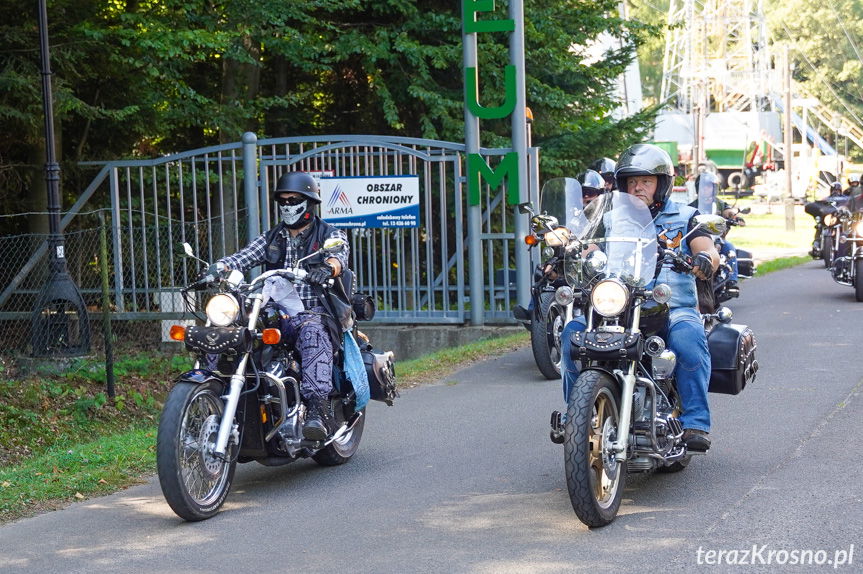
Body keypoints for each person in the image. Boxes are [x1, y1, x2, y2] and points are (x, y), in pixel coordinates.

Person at [560, 144, 719, 452]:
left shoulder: (685, 216)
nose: (637, 187)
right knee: (572, 334)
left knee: (688, 337)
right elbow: (591, 246)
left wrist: (704, 260)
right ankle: (575, 415)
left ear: (662, 184)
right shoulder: (610, 218)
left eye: (646, 180)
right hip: (619, 305)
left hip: (673, 306)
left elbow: (707, 249)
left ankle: (696, 421)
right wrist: (575, 253)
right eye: (631, 181)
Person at [216, 171, 349, 441]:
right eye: (284, 200)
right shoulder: (272, 237)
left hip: (315, 313)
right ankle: (213, 392)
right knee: (230, 329)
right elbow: (243, 256)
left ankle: (317, 411)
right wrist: (218, 268)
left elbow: (340, 255)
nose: (288, 205)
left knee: (312, 332)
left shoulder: (328, 234)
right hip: (277, 314)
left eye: (294, 199)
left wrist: (328, 268)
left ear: (310, 202)